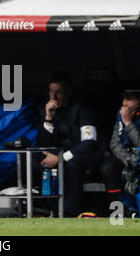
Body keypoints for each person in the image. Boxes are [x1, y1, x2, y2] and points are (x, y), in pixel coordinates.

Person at [35, 72, 103, 217]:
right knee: (36, 161)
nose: (53, 97)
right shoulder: (47, 110)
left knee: (72, 164)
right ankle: (46, 210)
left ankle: (70, 213)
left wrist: (61, 158)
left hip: (87, 154)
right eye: (51, 92)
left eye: (58, 92)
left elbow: (89, 143)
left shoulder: (84, 110)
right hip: (61, 154)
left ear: (69, 92)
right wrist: (48, 118)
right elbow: (42, 144)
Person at [100, 92, 140, 209]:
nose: (124, 103)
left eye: (129, 98)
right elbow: (114, 143)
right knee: (107, 168)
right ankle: (117, 211)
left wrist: (128, 123)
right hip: (126, 159)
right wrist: (127, 159)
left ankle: (134, 209)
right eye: (123, 98)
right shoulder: (121, 114)